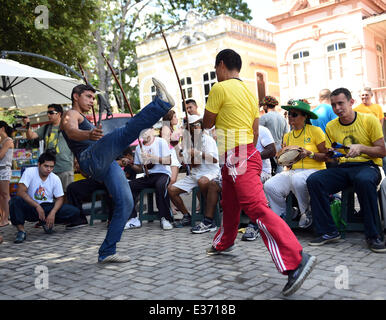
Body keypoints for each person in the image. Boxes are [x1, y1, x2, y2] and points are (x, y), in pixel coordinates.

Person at [202, 49, 316, 297]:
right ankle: (224, 241)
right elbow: (254, 132)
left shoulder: (219, 88)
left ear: (221, 65)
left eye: (216, 70)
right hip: (247, 152)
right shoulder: (248, 92)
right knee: (230, 204)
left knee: (255, 208)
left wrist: (211, 119)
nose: (216, 75)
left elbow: (207, 123)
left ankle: (295, 259)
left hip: (235, 155)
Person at [61, 78, 174, 263]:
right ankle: (161, 103)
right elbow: (72, 132)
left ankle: (107, 251)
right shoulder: (71, 113)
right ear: (76, 96)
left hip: (104, 162)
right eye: (88, 96)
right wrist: (88, 134)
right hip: (90, 158)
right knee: (125, 132)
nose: (91, 101)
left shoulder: (83, 117)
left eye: (93, 98)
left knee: (127, 202)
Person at [307, 87, 386, 253]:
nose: (337, 108)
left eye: (341, 103)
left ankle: (373, 235)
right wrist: (330, 155)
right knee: (315, 180)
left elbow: (382, 151)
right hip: (344, 167)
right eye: (334, 105)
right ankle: (328, 231)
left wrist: (362, 148)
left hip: (368, 165)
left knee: (363, 180)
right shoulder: (331, 126)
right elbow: (334, 158)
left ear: (351, 102)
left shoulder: (369, 120)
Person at [264, 100, 328, 229]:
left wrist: (309, 153)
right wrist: (281, 157)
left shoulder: (315, 131)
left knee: (297, 179)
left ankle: (306, 212)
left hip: (315, 170)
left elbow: (327, 157)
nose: (290, 117)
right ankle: (284, 214)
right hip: (294, 171)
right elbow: (285, 162)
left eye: (294, 114)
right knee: (270, 185)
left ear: (305, 117)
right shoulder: (287, 136)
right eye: (288, 114)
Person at [9, 151, 81, 243]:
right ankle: (21, 231)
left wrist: (53, 213)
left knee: (74, 212)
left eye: (51, 167)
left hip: (47, 208)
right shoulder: (30, 172)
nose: (49, 169)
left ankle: (46, 222)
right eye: (46, 166)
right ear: (39, 164)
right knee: (15, 201)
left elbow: (60, 198)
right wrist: (37, 206)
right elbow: (20, 192)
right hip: (31, 207)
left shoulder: (55, 178)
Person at [168, 114, 220, 231]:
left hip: (211, 172)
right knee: (171, 190)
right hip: (195, 174)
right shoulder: (186, 143)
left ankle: (208, 217)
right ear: (188, 128)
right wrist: (189, 155)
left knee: (202, 182)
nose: (196, 127)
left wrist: (198, 153)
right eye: (193, 125)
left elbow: (215, 159)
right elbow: (193, 165)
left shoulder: (208, 140)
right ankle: (186, 216)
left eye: (198, 124)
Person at [124, 128, 174, 230]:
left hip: (162, 173)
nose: (144, 133)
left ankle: (165, 218)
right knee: (128, 186)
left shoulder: (161, 142)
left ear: (152, 130)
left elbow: (168, 160)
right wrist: (131, 164)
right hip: (148, 176)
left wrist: (152, 158)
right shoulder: (139, 147)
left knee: (161, 185)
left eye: (146, 130)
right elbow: (139, 169)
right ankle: (133, 218)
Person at [22, 104, 74, 192]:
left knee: (66, 194)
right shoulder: (46, 127)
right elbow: (31, 136)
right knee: (50, 194)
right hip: (49, 168)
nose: (48, 115)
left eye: (51, 112)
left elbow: (76, 144)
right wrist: (27, 125)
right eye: (47, 113)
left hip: (65, 167)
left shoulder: (68, 126)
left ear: (59, 114)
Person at [242, 125, 276, 241]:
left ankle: (254, 225)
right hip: (241, 171)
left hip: (262, 172)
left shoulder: (262, 130)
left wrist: (252, 157)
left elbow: (272, 151)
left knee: (249, 183)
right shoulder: (237, 130)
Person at [259, 95, 289, 174]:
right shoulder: (283, 118)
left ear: (265, 106)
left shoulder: (264, 117)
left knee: (268, 173)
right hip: (279, 148)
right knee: (279, 172)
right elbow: (286, 136)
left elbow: (258, 133)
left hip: (267, 148)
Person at [0, 121, 14, 228]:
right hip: (1, 169)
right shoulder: (2, 141)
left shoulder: (8, 141)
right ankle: (3, 218)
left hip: (5, 170)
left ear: (2, 128)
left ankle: (6, 218)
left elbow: (1, 155)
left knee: (5, 195)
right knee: (1, 195)